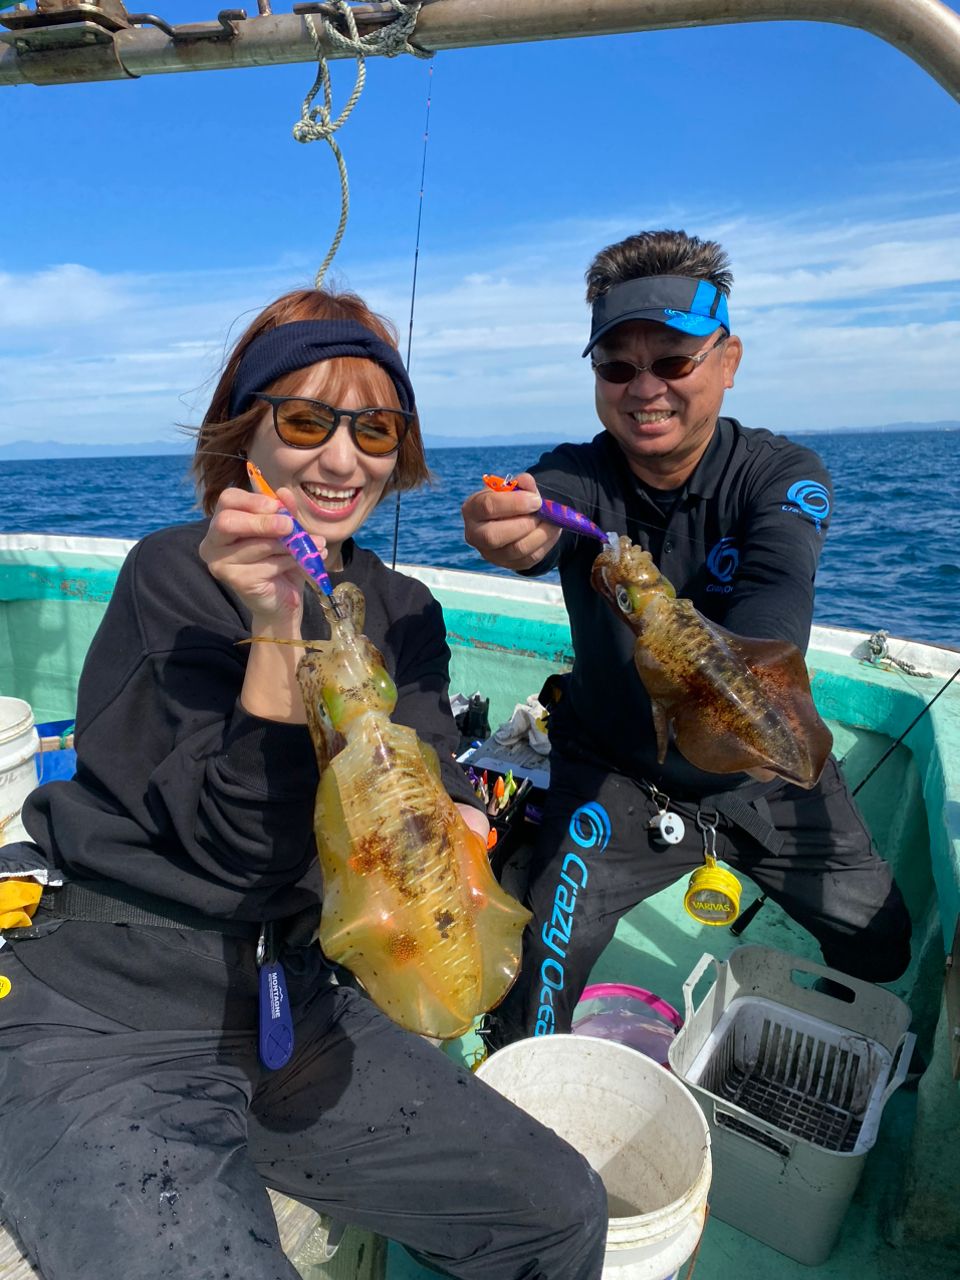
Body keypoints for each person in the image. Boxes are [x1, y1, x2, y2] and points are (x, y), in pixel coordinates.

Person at [0, 288, 607, 1279]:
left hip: (294, 994)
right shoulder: (173, 575)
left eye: (374, 425)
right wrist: (280, 626)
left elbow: (420, 750)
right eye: (306, 419)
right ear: (248, 431)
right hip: (111, 1010)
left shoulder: (402, 606)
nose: (342, 457)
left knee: (559, 1209)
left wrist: (453, 813)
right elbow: (236, 845)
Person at [461, 229, 913, 1049]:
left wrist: (671, 625)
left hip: (767, 767)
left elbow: (776, 613)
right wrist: (509, 530)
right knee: (532, 992)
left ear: (728, 360)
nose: (645, 390)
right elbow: (537, 514)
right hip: (616, 773)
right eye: (616, 367)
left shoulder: (781, 475)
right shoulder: (577, 477)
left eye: (672, 362)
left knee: (882, 946)